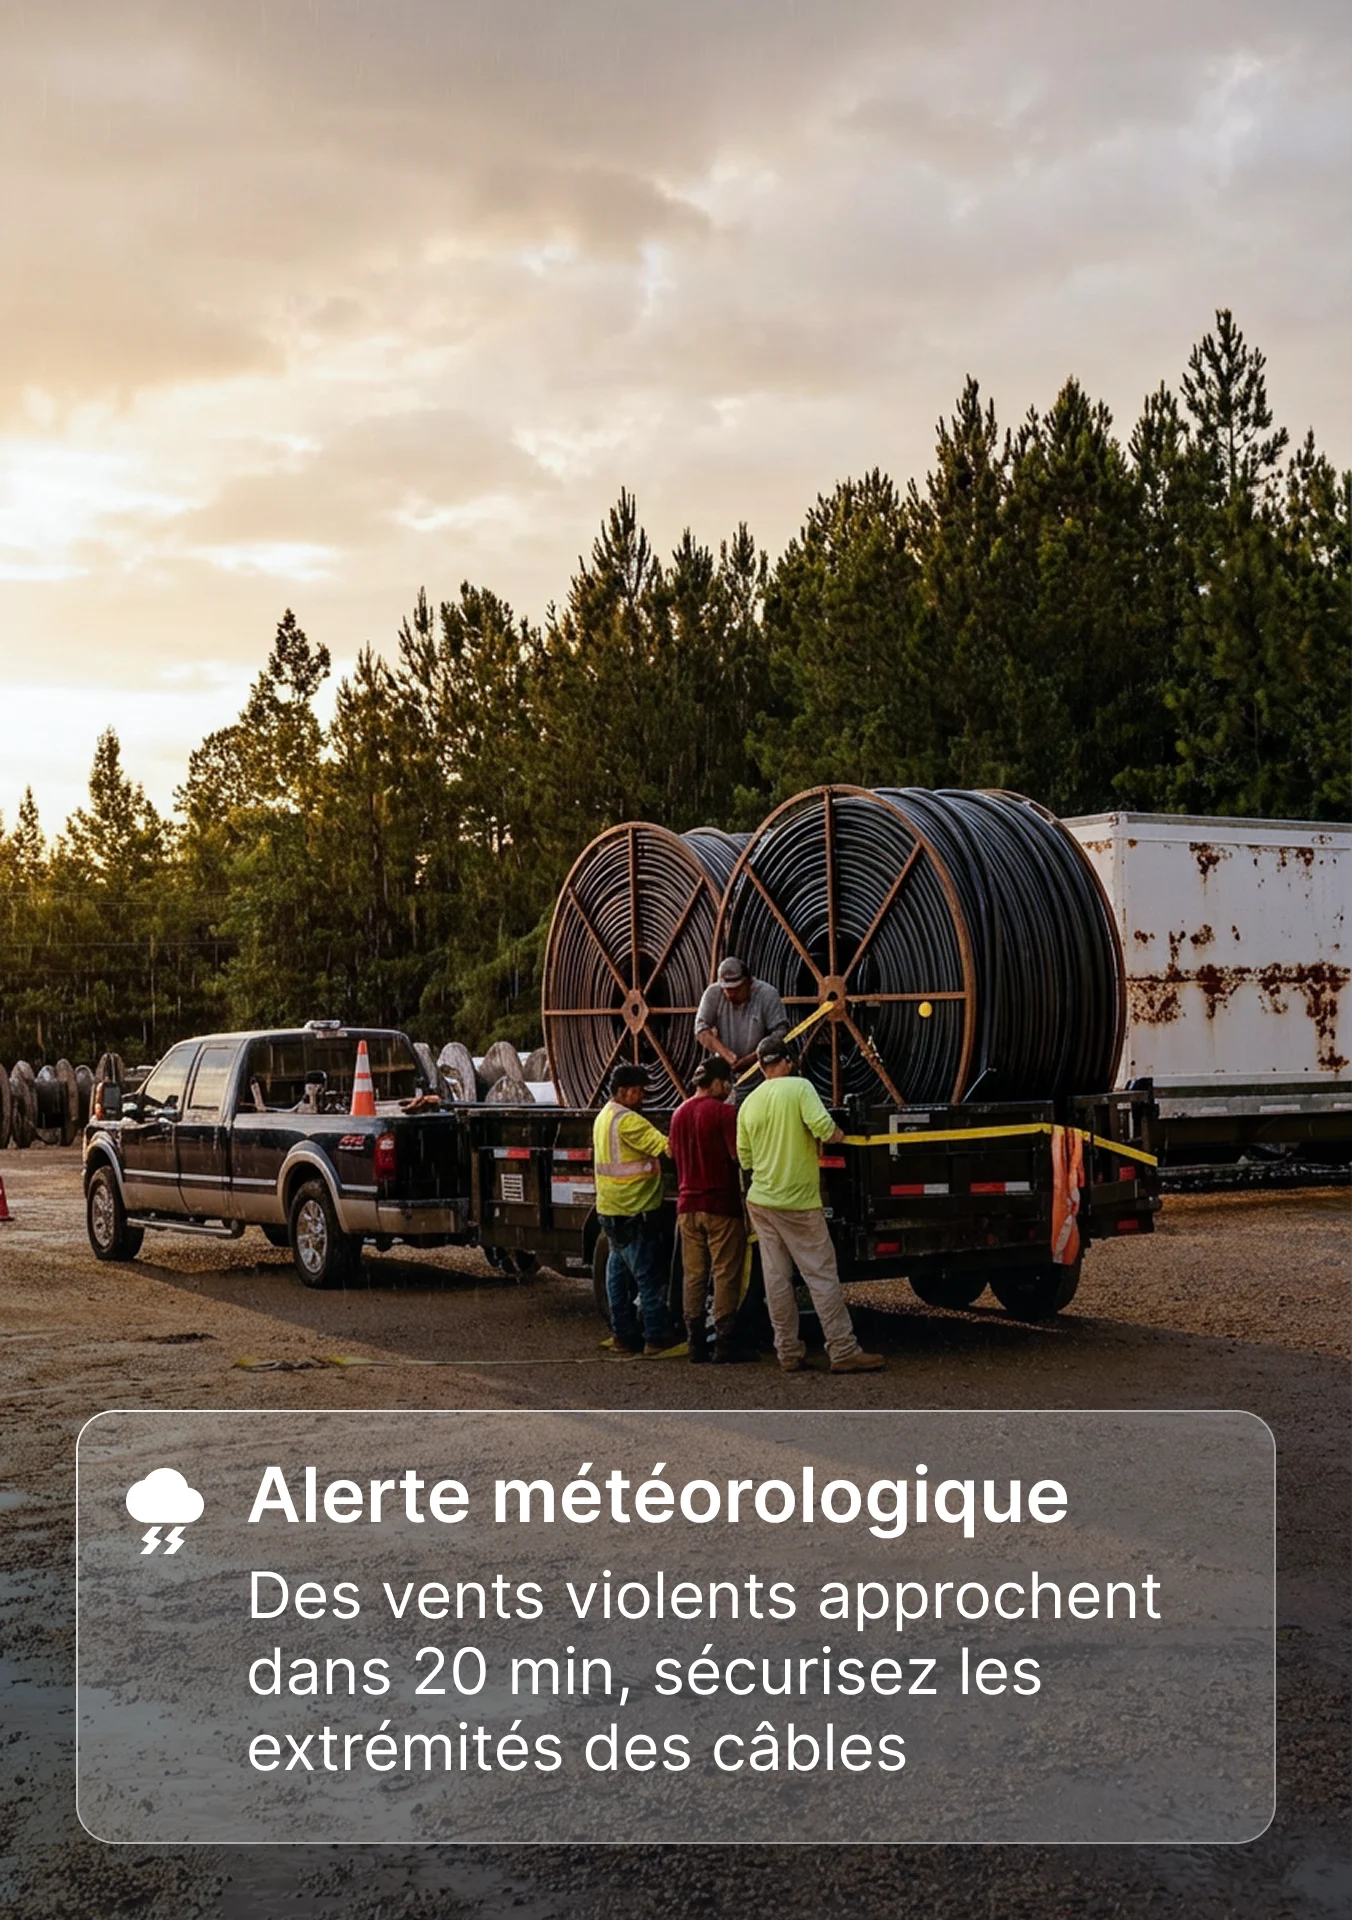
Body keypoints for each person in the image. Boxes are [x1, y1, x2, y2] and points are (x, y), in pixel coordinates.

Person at [736, 1034, 885, 1375]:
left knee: (777, 1279)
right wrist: (838, 1135)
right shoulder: (800, 1088)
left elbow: (745, 1158)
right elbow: (823, 1128)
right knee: (820, 1274)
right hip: (797, 1202)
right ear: (787, 1061)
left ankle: (788, 1352)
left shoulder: (749, 1102)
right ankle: (843, 1349)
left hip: (761, 1202)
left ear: (761, 1066)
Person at [593, 1064, 685, 1359]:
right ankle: (656, 1336)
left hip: (610, 1208)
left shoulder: (604, 1116)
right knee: (648, 1276)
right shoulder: (629, 1121)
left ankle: (622, 1335)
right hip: (634, 1208)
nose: (643, 1095)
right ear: (623, 1091)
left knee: (617, 1276)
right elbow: (669, 1148)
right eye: (639, 1090)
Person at [668, 1060, 756, 1364]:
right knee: (724, 1273)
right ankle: (725, 1343)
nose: (729, 1087)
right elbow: (738, 1156)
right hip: (721, 1207)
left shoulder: (678, 1114)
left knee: (694, 1275)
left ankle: (695, 1344)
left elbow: (673, 1153)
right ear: (717, 1082)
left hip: (687, 1207)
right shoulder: (724, 1113)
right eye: (726, 1082)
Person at [695, 956, 789, 1075]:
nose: (730, 994)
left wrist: (753, 1058)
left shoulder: (767, 994)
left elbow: (781, 1032)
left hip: (760, 1071)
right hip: (726, 1072)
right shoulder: (713, 993)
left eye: (737, 989)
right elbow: (701, 1028)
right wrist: (726, 1055)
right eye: (726, 989)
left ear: (749, 982)